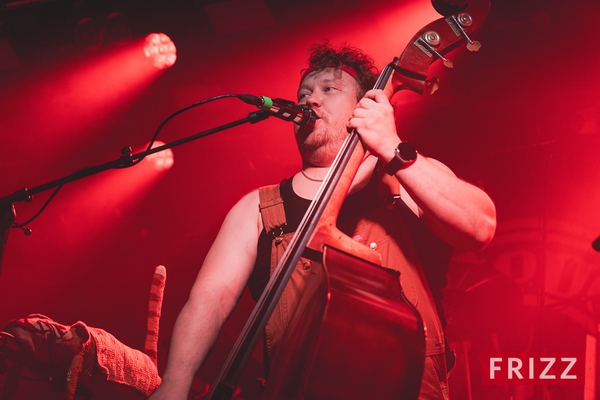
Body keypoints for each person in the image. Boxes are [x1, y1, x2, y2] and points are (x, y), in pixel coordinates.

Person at [148, 42, 496, 400]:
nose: (310, 101)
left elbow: (480, 226)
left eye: (329, 89)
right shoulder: (258, 208)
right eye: (304, 93)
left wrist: (391, 146)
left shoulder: (404, 174)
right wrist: (176, 382)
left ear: (366, 105)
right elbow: (211, 298)